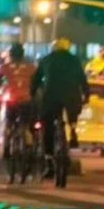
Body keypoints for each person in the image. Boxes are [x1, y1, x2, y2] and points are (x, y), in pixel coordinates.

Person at [31, 38, 90, 177]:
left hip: (51, 95)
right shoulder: (74, 60)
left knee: (47, 125)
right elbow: (82, 79)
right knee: (73, 111)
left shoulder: (46, 59)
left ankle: (49, 157)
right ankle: (73, 128)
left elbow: (36, 79)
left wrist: (33, 93)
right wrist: (86, 94)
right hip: (71, 96)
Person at [0, 43, 37, 157]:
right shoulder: (31, 67)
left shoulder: (4, 67)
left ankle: (7, 147)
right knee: (26, 124)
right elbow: (37, 84)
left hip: (11, 100)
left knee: (9, 122)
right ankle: (28, 142)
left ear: (11, 55)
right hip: (27, 99)